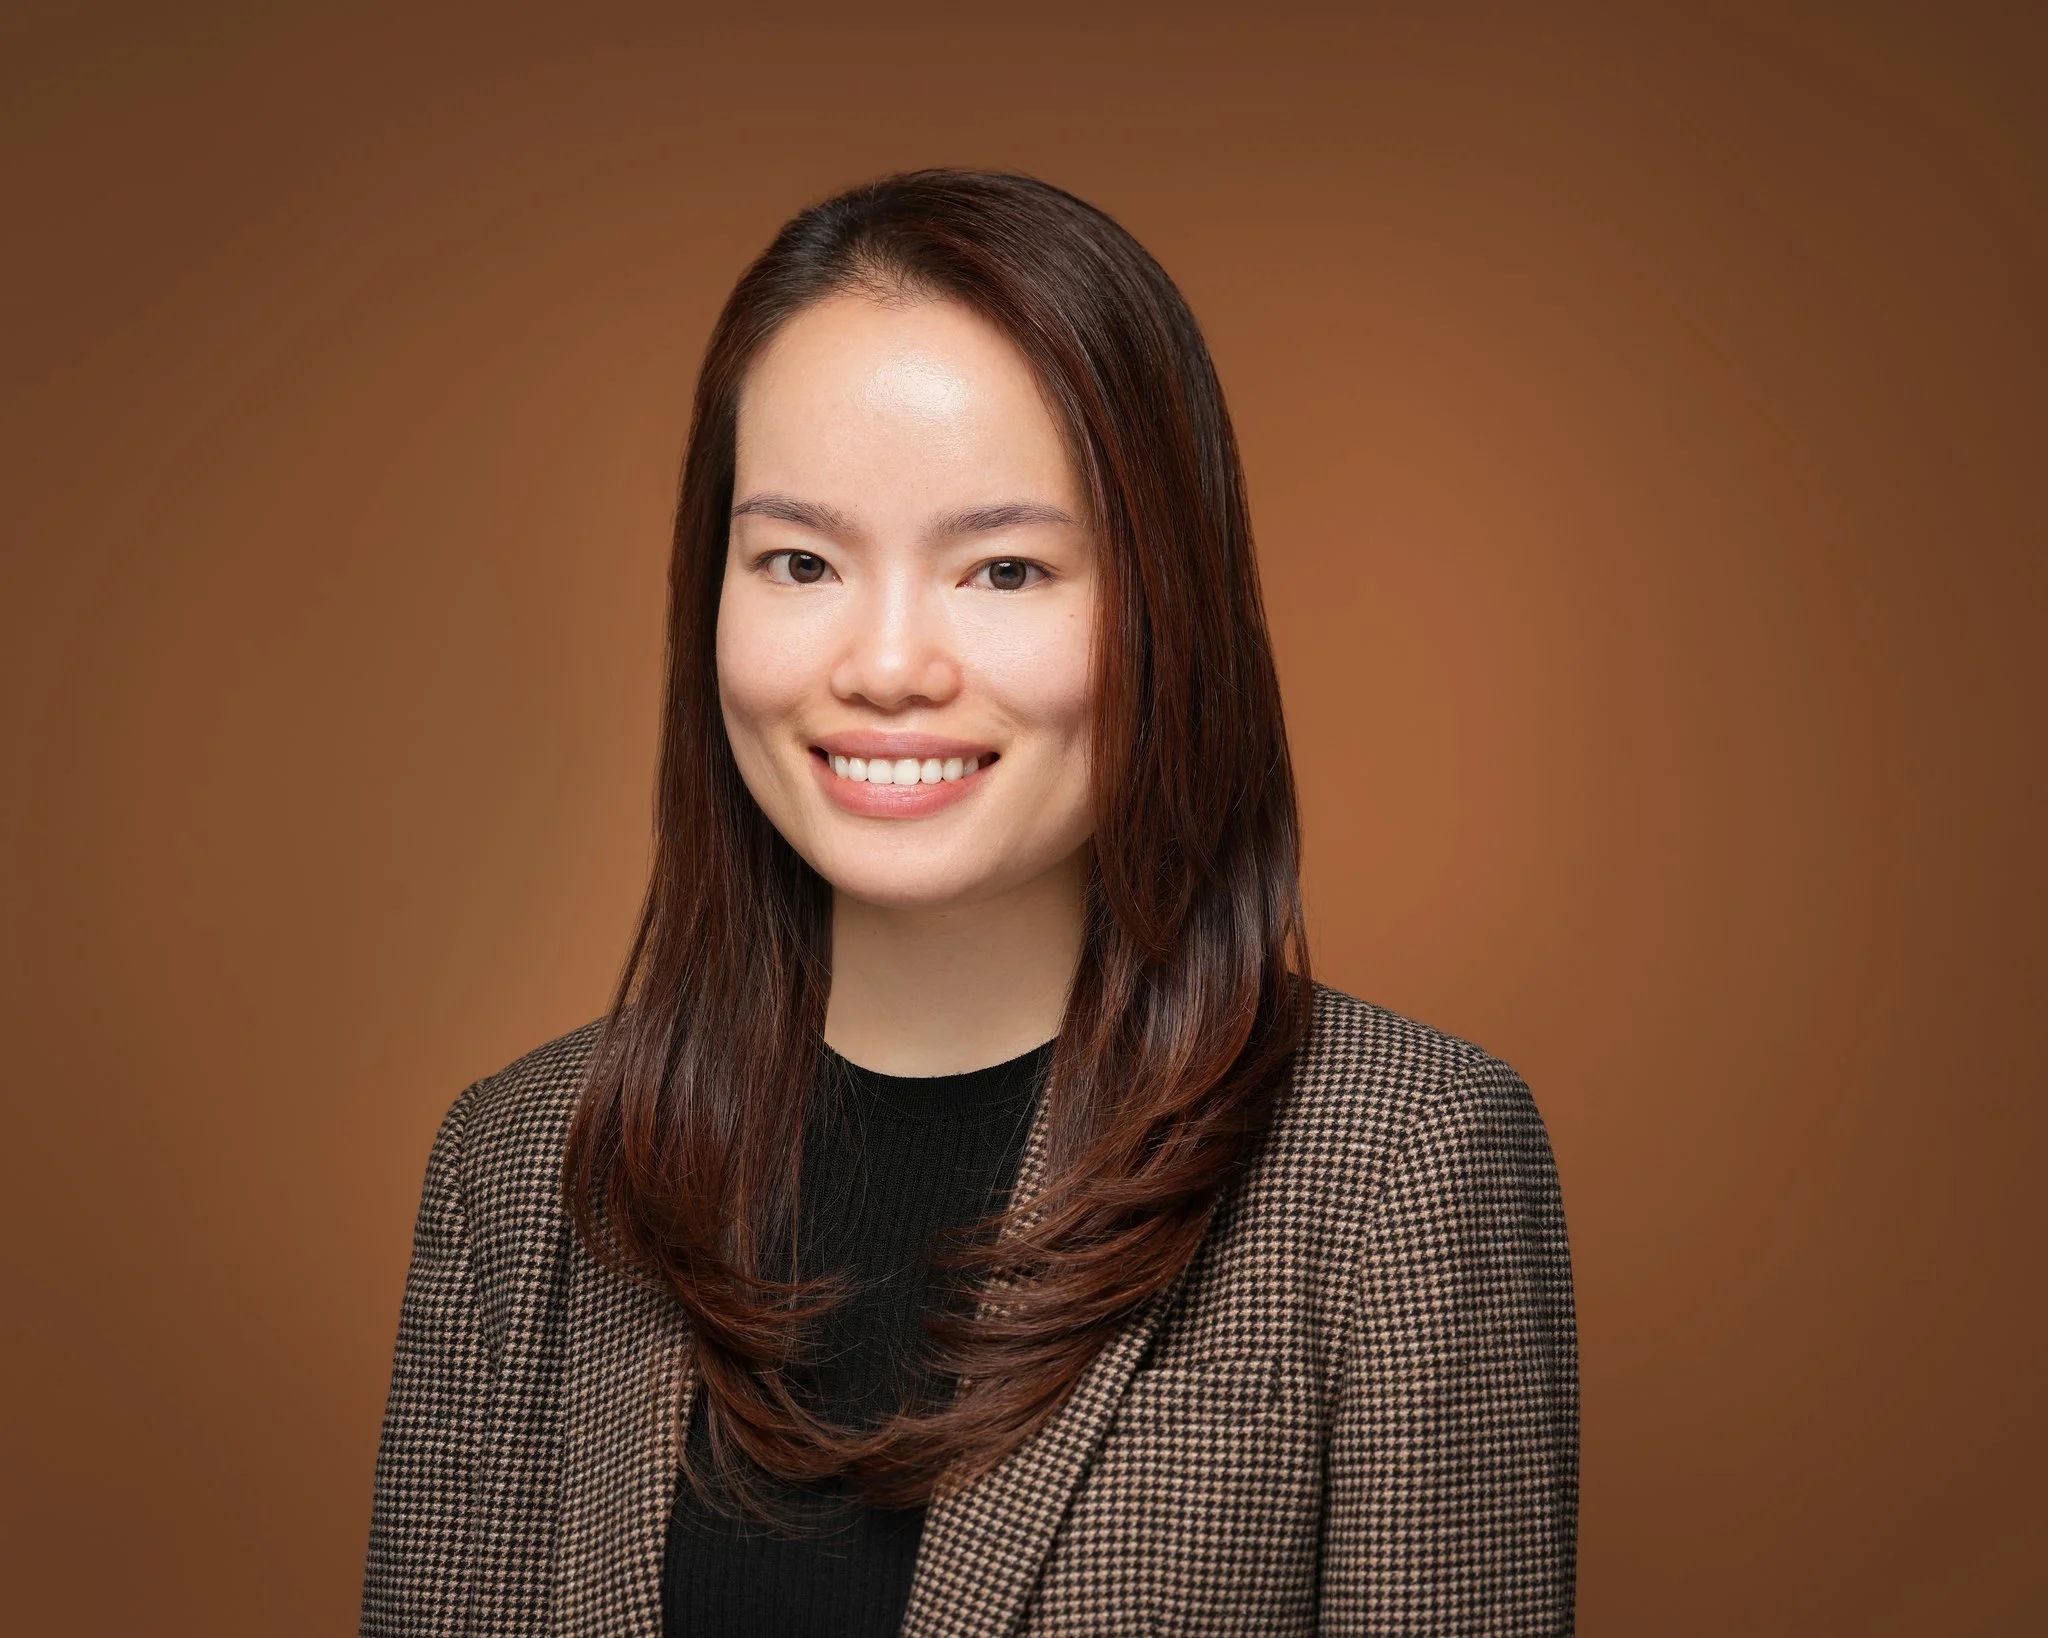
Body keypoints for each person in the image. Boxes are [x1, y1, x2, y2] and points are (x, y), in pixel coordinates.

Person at [359, 167, 1579, 1637]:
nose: (884, 663)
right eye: (799, 560)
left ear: (1161, 609)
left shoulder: (1398, 1168)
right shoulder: (525, 1174)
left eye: (1003, 568)